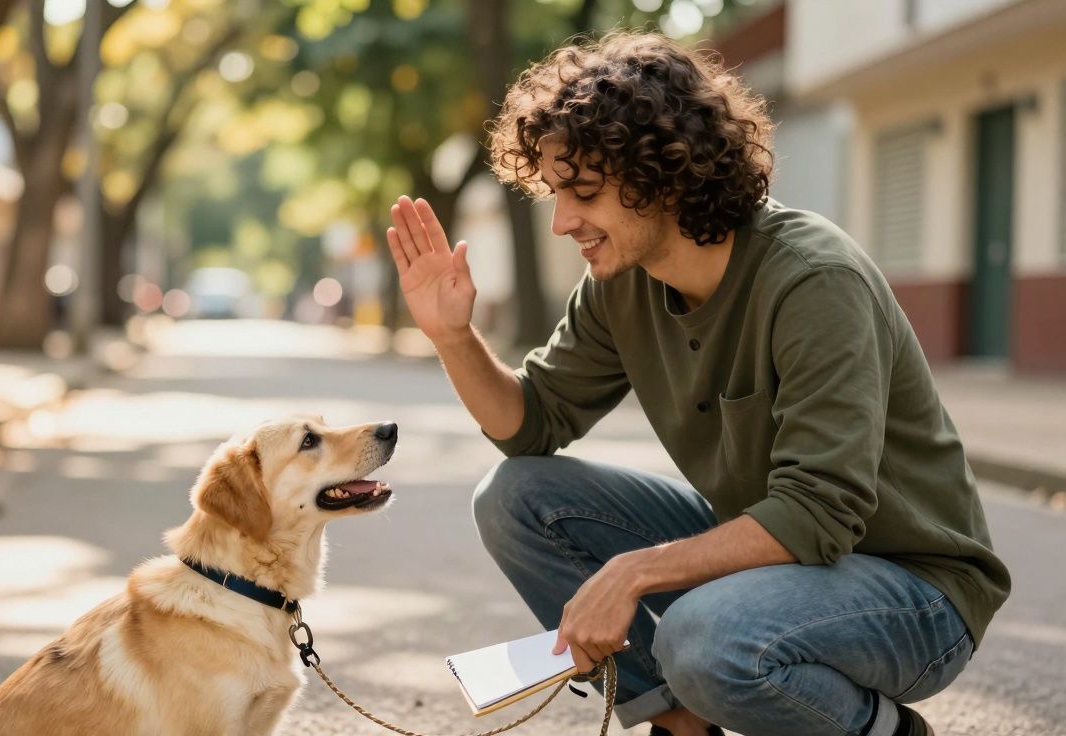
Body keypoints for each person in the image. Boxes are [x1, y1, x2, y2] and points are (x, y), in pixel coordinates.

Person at [384, 31, 1010, 736]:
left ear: (664, 173)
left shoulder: (812, 280)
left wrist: (632, 573)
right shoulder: (620, 284)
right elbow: (529, 424)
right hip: (776, 559)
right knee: (515, 496)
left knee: (699, 638)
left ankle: (885, 732)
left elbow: (817, 513)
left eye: (584, 192)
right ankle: (679, 723)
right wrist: (452, 335)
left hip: (915, 593)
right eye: (556, 194)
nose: (563, 223)